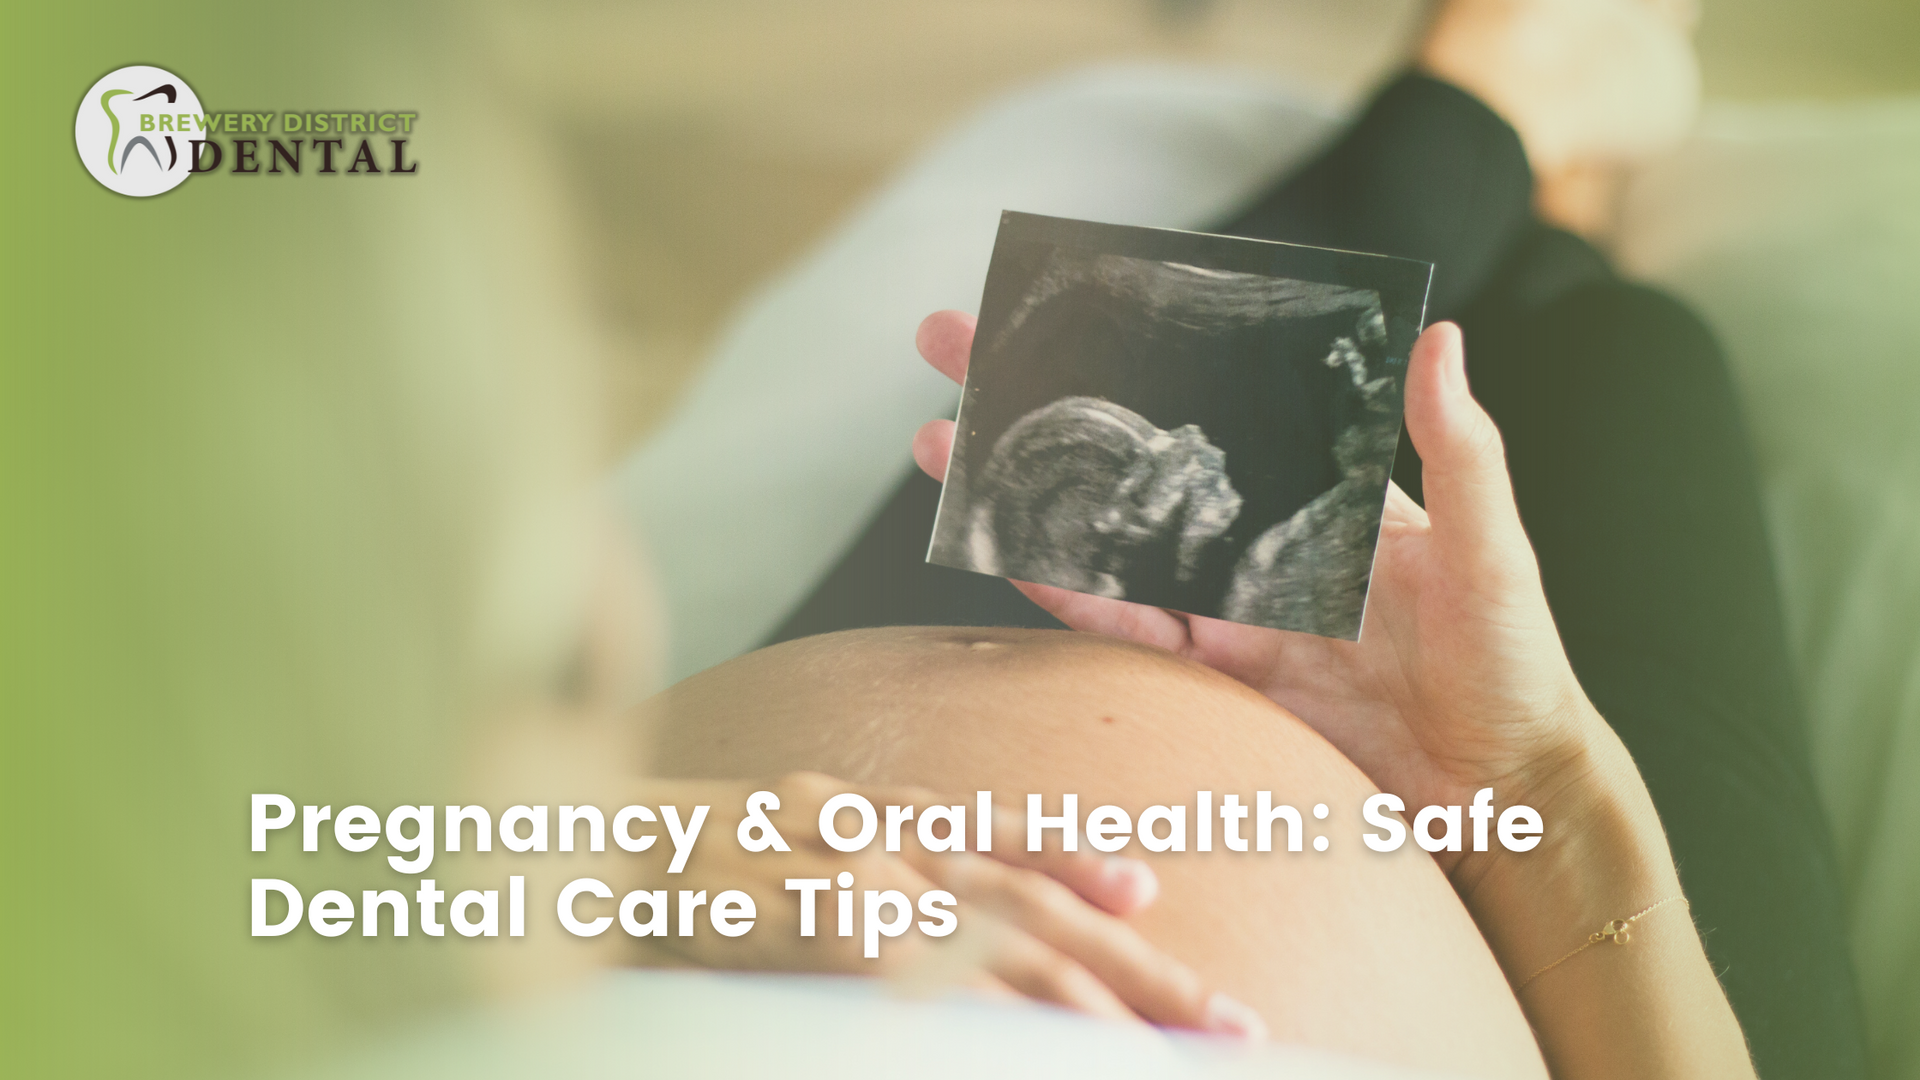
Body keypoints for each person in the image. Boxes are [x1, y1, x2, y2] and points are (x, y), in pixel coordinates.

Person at [617, 2, 1868, 1078]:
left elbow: (421, 849)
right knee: (1622, 360)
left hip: (773, 792)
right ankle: (1532, 181)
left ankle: (1483, 107)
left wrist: (599, 850)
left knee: (1174, 375)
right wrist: (1542, 795)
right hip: (1517, 857)